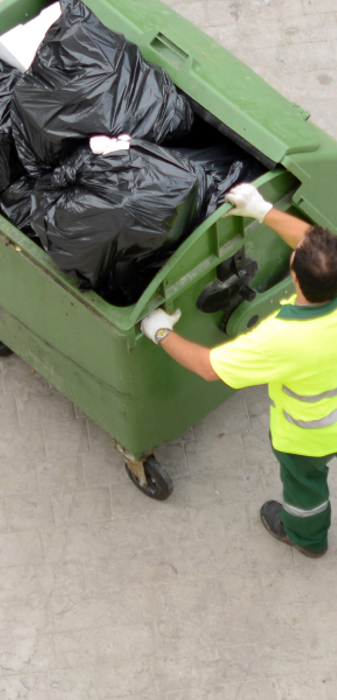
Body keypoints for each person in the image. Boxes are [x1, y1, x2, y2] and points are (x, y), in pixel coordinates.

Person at [141, 183, 337, 558]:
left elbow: (208, 367)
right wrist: (262, 210)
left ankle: (306, 536)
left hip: (309, 437)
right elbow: (313, 243)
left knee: (305, 486)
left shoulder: (282, 339)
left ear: (295, 277)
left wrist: (160, 331)